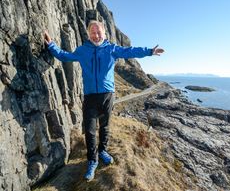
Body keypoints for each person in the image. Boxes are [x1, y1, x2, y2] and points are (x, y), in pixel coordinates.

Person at [44, 20, 164, 181]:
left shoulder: (111, 49)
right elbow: (65, 56)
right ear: (88, 34)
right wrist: (51, 45)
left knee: (105, 127)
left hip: (108, 95)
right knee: (90, 131)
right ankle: (92, 161)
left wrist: (149, 51)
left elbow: (130, 51)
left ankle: (103, 151)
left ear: (104, 33)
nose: (96, 35)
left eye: (99, 32)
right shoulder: (83, 50)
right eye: (93, 32)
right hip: (90, 96)